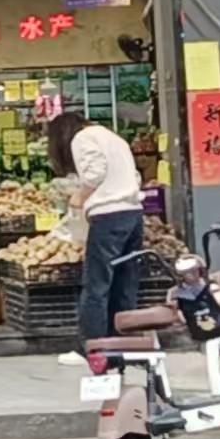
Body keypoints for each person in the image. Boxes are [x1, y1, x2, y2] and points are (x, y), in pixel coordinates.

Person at [47, 112, 144, 350]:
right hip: (132, 213)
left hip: (108, 216)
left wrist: (81, 196)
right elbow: (135, 176)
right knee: (124, 282)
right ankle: (123, 343)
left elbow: (95, 173)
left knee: (96, 285)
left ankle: (92, 347)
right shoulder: (113, 138)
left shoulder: (83, 137)